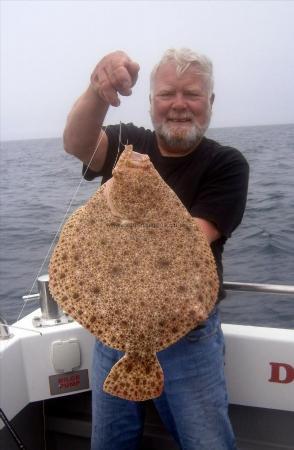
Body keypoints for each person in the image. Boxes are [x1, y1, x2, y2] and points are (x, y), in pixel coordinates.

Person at [63, 48, 249, 450]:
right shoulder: (128, 142)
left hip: (189, 338)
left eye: (192, 94)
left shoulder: (226, 164)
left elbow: (187, 245)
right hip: (113, 333)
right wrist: (98, 92)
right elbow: (77, 142)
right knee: (109, 443)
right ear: (151, 102)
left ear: (210, 103)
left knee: (207, 443)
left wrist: (124, 196)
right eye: (167, 93)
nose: (179, 104)